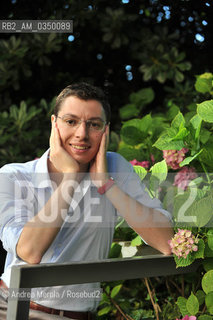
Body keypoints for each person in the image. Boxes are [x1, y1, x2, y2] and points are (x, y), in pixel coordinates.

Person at [0, 82, 173, 319]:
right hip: (11, 307)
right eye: (71, 121)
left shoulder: (115, 168)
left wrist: (106, 185)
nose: (82, 134)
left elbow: (167, 241)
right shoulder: (13, 176)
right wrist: (71, 177)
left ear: (106, 132)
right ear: (54, 124)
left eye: (94, 125)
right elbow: (30, 251)